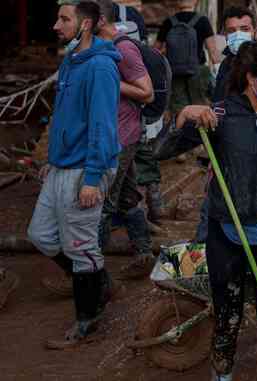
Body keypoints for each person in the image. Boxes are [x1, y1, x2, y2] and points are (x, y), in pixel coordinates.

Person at [162, 42, 257, 381]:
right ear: (251, 78)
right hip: (225, 229)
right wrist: (185, 116)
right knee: (226, 310)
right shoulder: (220, 115)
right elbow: (162, 151)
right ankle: (222, 371)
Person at [27, 0, 120, 349]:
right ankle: (99, 282)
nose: (55, 24)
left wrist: (93, 178)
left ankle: (87, 319)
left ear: (84, 25)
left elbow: (102, 125)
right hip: (63, 165)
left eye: (63, 19)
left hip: (86, 167)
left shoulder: (99, 67)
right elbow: (65, 117)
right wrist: (52, 158)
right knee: (40, 235)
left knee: (80, 247)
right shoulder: (71, 61)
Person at [91, 0, 155, 281]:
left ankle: (91, 273)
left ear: (100, 21)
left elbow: (147, 93)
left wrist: (109, 80)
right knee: (127, 195)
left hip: (120, 135)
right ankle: (144, 253)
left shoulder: (123, 48)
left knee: (103, 202)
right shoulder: (100, 47)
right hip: (114, 132)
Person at [194, 6, 257, 244]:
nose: (238, 34)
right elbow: (218, 105)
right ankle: (202, 255)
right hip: (224, 149)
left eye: (244, 29)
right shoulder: (226, 64)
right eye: (232, 30)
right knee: (214, 204)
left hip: (254, 150)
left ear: (255, 31)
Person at [154, 0, 219, 115]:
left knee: (179, 111)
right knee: (202, 111)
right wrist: (218, 74)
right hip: (198, 72)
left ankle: (182, 131)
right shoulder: (202, 21)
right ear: (196, 1)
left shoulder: (168, 22)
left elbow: (155, 52)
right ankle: (202, 132)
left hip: (175, 74)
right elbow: (213, 52)